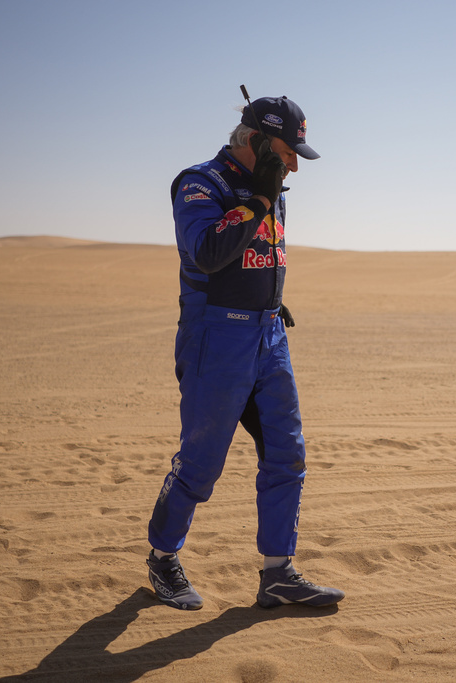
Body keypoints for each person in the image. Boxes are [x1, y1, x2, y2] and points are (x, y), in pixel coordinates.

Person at [146, 95, 344, 611]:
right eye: (289, 149)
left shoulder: (272, 188)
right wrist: (257, 200)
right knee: (201, 462)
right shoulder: (199, 183)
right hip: (217, 340)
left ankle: (278, 574)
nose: (295, 164)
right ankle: (163, 558)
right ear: (256, 138)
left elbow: (258, 254)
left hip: (267, 336)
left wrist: (271, 299)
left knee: (287, 454)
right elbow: (210, 253)